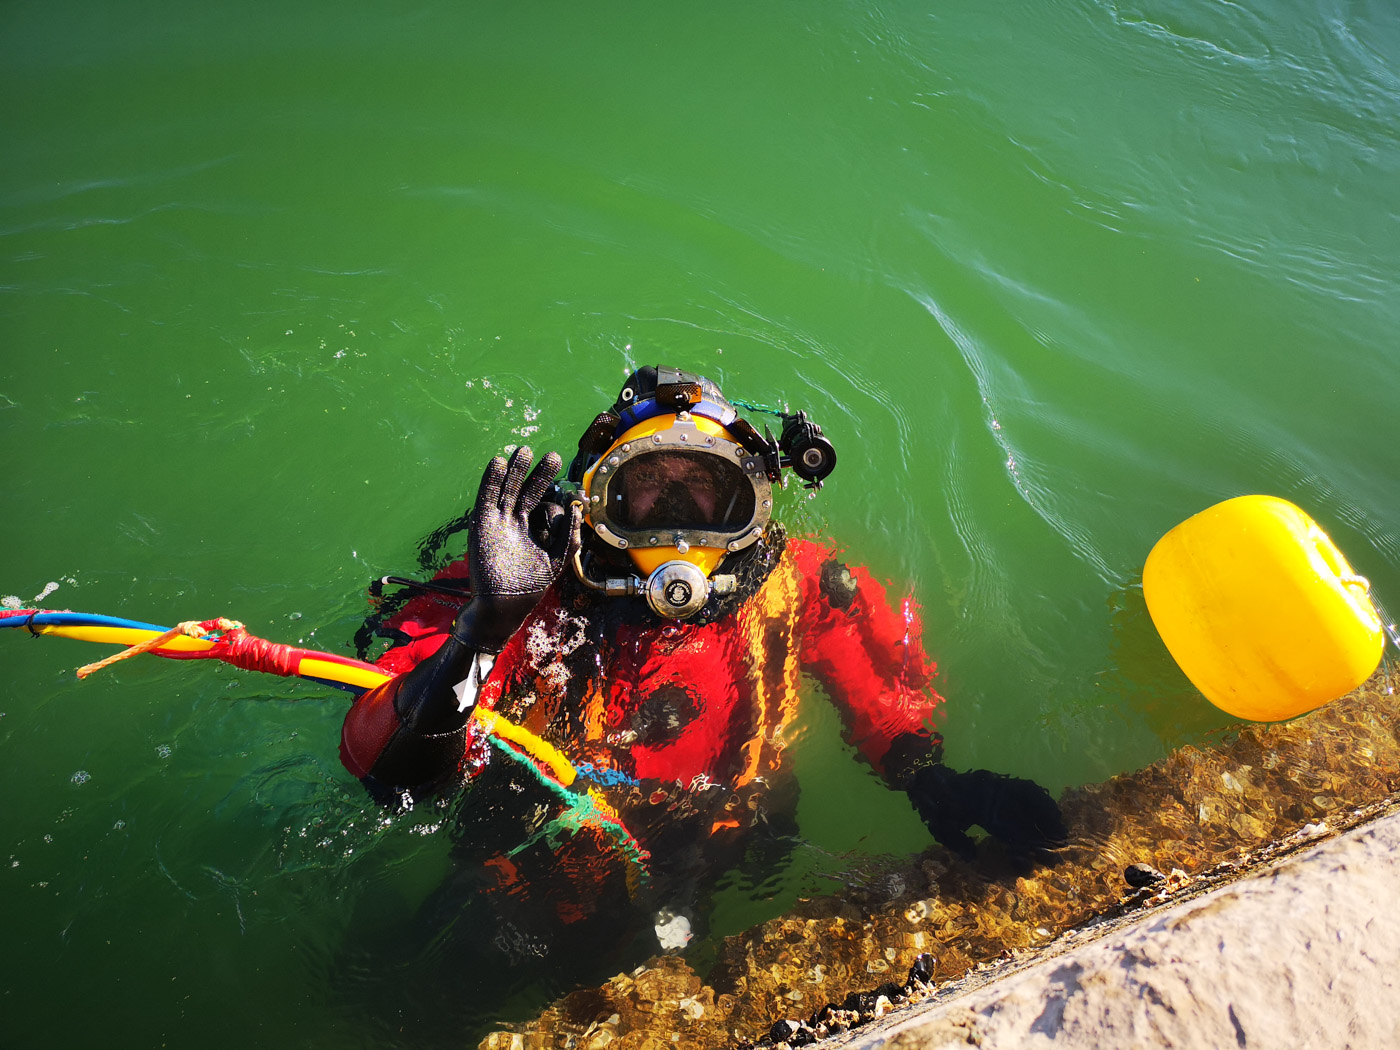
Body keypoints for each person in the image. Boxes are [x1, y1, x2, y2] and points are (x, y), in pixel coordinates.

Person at [338, 366, 1065, 1001]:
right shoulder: (527, 582)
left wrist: (929, 777)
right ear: (599, 496)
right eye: (647, 481)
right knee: (405, 999)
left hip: (713, 859)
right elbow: (388, 771)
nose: (675, 510)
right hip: (519, 870)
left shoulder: (799, 584)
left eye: (703, 484)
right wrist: (484, 625)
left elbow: (876, 692)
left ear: (746, 501)